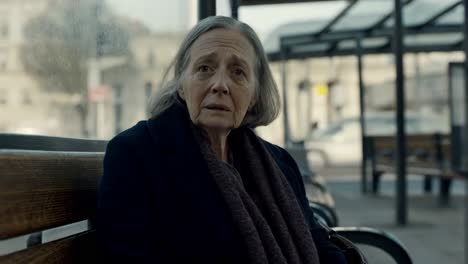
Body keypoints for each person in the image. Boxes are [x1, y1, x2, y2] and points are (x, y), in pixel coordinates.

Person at [97, 16, 347, 264]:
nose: (220, 85)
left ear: (254, 95)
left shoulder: (279, 163)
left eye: (238, 72)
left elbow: (316, 241)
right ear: (182, 85)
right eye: (204, 69)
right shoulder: (135, 153)